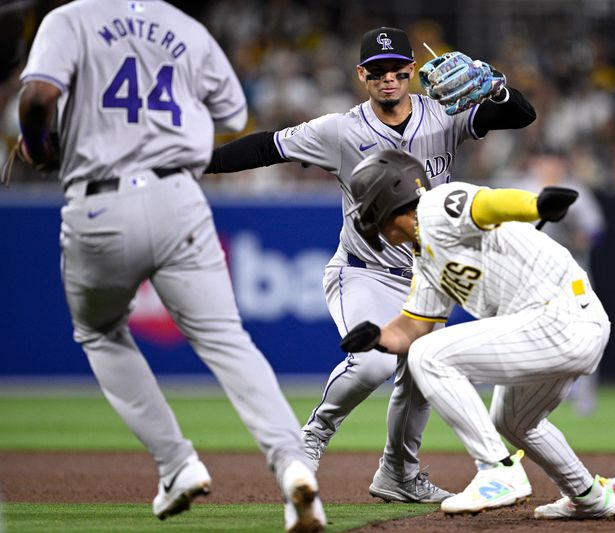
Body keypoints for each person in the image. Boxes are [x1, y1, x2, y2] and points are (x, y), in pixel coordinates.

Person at [15, 1, 325, 531]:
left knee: (98, 333)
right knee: (228, 340)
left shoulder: (68, 19)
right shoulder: (187, 27)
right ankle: (295, 465)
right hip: (178, 194)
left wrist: (41, 144)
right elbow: (231, 115)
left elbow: (40, 96)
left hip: (99, 201)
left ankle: (177, 465)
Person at [206, 26, 536, 503]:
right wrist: (202, 161)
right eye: (378, 72)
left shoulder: (443, 111)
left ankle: (398, 473)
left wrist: (496, 85)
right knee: (371, 365)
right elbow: (265, 147)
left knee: (422, 372)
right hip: (364, 269)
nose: (389, 80)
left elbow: (521, 115)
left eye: (398, 71)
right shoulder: (340, 129)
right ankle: (311, 438)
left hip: (428, 277)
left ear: (411, 74)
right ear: (363, 75)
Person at [340, 149, 615, 519]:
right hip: (552, 326)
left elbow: (488, 203)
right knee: (514, 421)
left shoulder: (436, 206)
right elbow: (414, 326)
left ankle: (498, 471)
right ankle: (588, 498)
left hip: (561, 314)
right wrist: (376, 336)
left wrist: (535, 206)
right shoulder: (425, 258)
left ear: (383, 203)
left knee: (429, 356)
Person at [508, 151, 606, 417]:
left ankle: (583, 396)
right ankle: (530, 397)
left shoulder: (576, 191)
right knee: (527, 335)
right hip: (533, 276)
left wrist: (584, 237)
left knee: (584, 332)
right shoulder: (522, 188)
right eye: (544, 161)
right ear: (535, 163)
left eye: (554, 162)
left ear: (562, 164)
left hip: (573, 274)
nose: (549, 166)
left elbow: (596, 230)